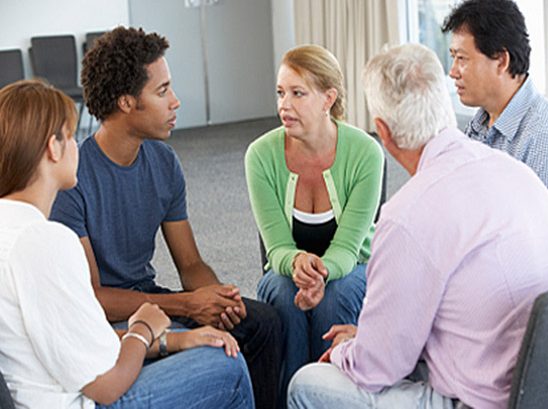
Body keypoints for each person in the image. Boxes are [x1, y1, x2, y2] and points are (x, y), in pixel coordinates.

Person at [287, 43, 548, 409]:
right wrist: (369, 339)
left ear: (383, 132)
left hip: (481, 400)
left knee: (307, 384)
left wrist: (346, 350)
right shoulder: (515, 172)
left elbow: (376, 370)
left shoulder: (407, 216)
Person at [49, 26, 280, 409]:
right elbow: (96, 298)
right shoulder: (74, 179)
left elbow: (190, 264)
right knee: (217, 354)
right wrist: (189, 305)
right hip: (115, 322)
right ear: (126, 102)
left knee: (264, 323)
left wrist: (219, 298)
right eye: (162, 91)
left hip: (156, 299)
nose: (175, 102)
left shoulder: (163, 161)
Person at [0, 79, 254, 409]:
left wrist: (176, 341)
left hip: (47, 389)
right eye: (72, 137)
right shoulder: (45, 241)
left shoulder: (11, 228)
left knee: (205, 347)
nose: (80, 146)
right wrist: (143, 328)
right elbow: (106, 386)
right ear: (53, 147)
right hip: (79, 401)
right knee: (227, 367)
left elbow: (83, 342)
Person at [245, 44, 384, 404]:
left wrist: (319, 273)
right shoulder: (260, 155)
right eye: (280, 92)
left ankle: (333, 398)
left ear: (328, 98)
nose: (283, 105)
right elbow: (275, 247)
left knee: (337, 294)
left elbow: (349, 248)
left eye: (297, 93)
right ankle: (289, 399)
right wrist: (295, 264)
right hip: (288, 268)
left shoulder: (366, 152)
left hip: (352, 266)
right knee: (281, 291)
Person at [442, 0, 548, 225]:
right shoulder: (480, 124)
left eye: (461, 58)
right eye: (453, 57)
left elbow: (546, 244)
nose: (452, 72)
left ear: (501, 60)